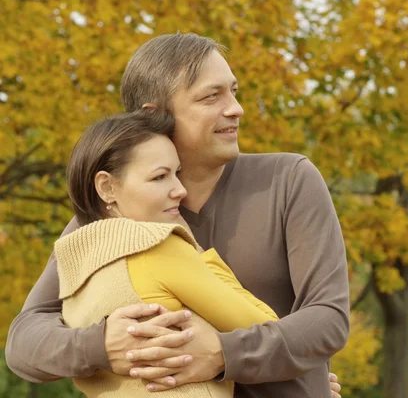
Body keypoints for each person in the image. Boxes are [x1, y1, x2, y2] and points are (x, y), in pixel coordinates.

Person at [6, 33, 349, 398]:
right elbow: (23, 343)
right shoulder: (112, 215)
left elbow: (328, 319)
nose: (235, 108)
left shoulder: (288, 180)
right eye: (210, 96)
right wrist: (102, 345)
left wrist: (221, 355)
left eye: (233, 91)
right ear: (155, 115)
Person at [56, 109, 282, 396]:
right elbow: (269, 332)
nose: (180, 190)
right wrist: (198, 251)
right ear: (107, 187)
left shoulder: (73, 265)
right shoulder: (156, 247)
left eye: (177, 174)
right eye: (159, 177)